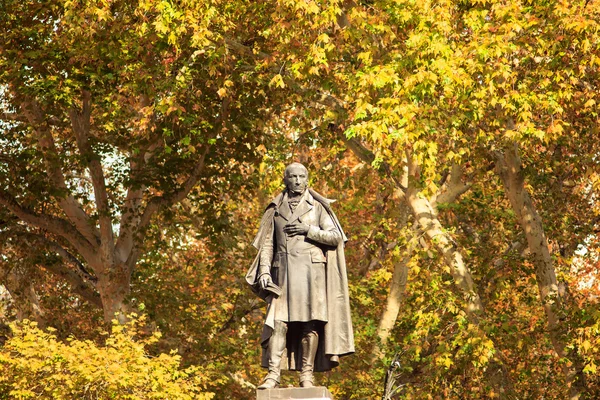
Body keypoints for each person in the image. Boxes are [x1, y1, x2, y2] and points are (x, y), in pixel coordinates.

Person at [246, 162, 354, 389]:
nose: (297, 180)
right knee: (277, 324)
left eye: (301, 176)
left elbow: (335, 237)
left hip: (311, 274)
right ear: (285, 179)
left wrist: (308, 230)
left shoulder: (317, 207)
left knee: (310, 324)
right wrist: (264, 271)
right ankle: (273, 375)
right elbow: (268, 244)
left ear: (307, 179)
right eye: (293, 176)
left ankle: (307, 375)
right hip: (282, 274)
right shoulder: (275, 207)